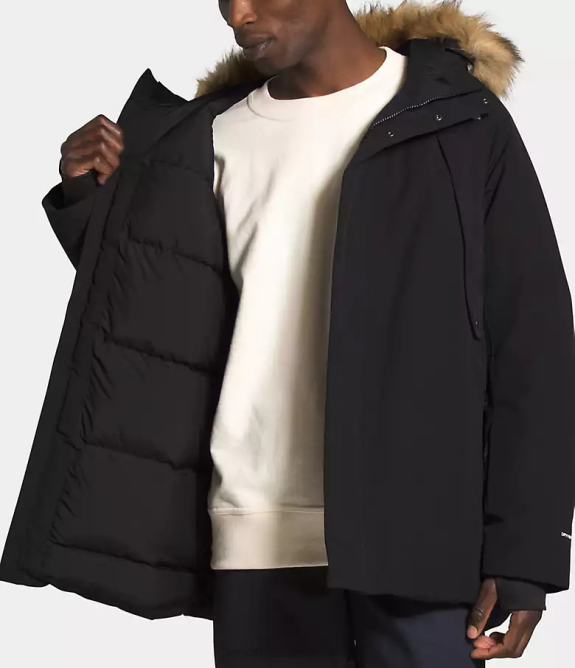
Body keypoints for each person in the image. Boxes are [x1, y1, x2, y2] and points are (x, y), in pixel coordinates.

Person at [1, 1, 574, 666]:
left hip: (419, 533)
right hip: (256, 535)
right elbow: (159, 311)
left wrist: (526, 552)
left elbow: (531, 342)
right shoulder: (206, 137)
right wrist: (88, 200)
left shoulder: (457, 120)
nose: (237, 13)